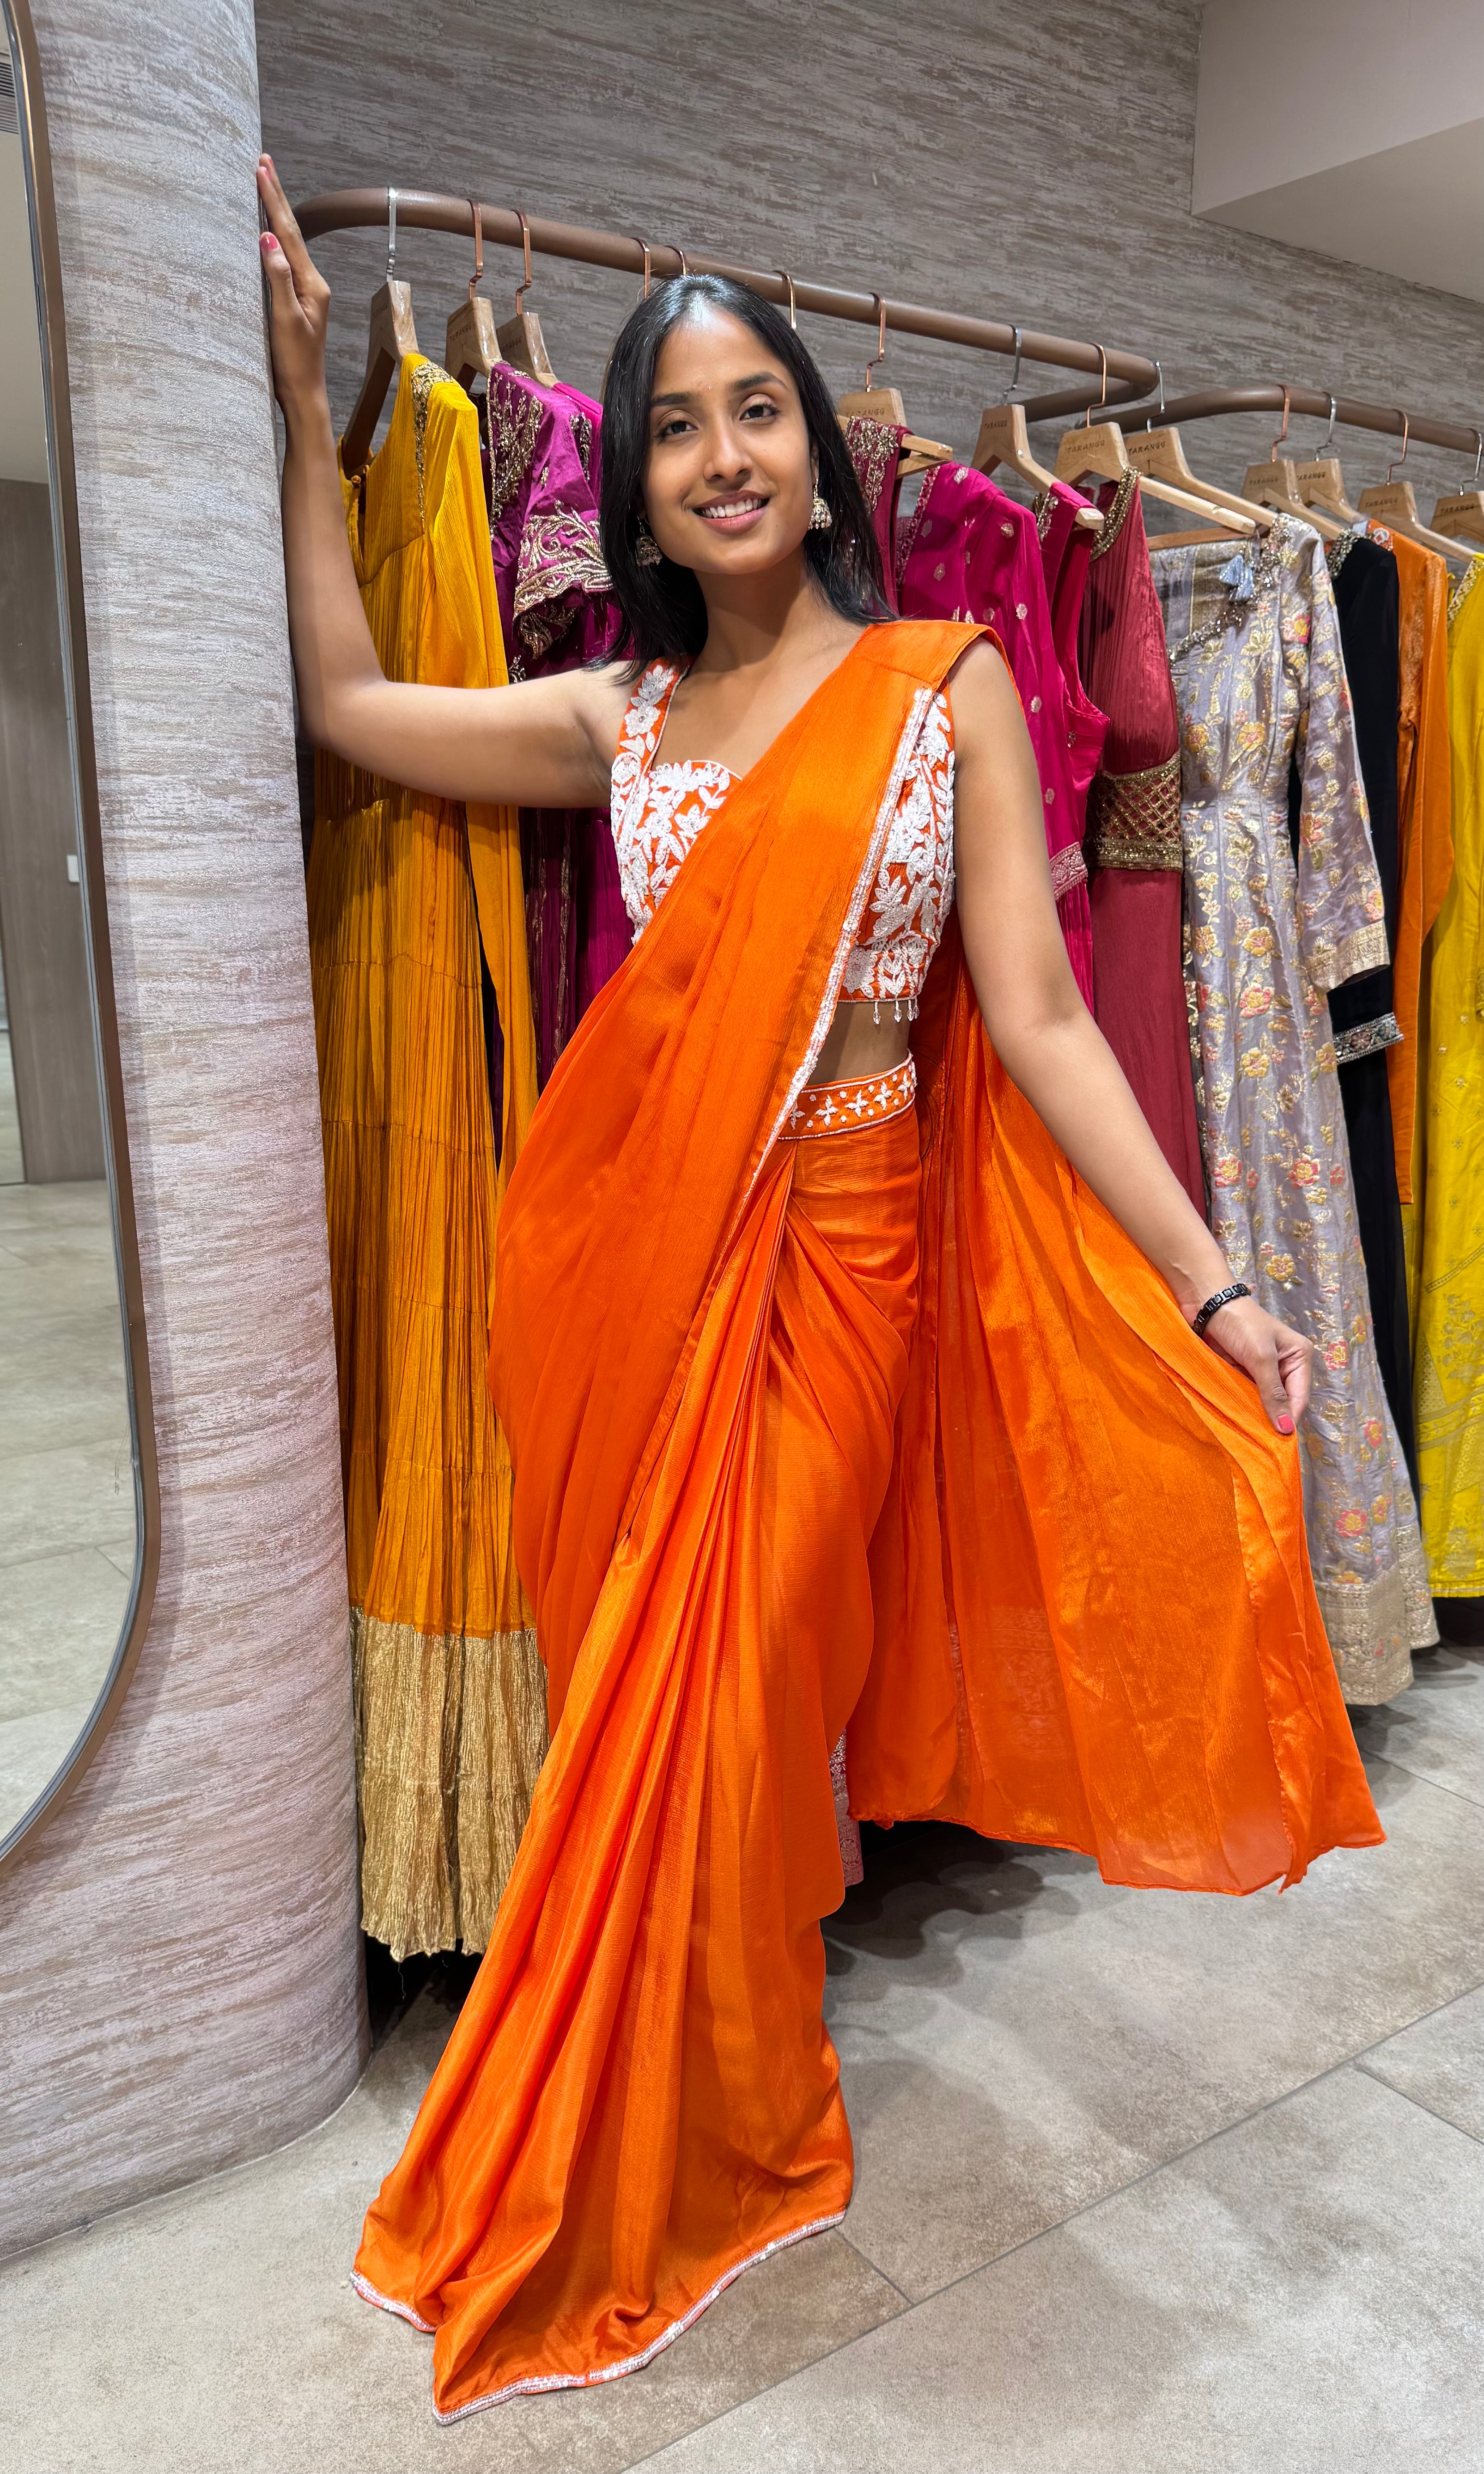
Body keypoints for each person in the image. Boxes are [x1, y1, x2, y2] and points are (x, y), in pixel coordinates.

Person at [257, 159, 1381, 2424]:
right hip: (624, 1260)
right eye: (674, 425)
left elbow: (1044, 1023)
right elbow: (352, 698)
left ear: (819, 450)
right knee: (643, 1705)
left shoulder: (930, 680)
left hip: (847, 1255)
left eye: (756, 405)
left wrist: (1212, 1280)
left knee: (748, 1683)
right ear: (638, 483)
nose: (723, 454)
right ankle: (692, 2096)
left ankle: (724, 2111)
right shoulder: (616, 722)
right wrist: (300, 405)